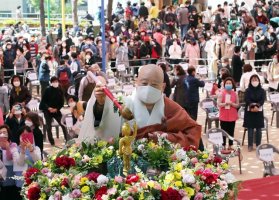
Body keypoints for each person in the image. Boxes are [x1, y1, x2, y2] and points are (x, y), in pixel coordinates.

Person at [79, 64, 201, 148]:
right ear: (136, 81)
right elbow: (103, 125)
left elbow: (192, 133)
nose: (148, 88)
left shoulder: (171, 108)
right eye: (144, 83)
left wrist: (166, 137)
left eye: (154, 85)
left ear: (163, 87)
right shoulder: (123, 104)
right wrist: (100, 103)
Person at [39, 76, 68, 145]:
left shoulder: (60, 90)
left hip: (56, 110)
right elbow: (43, 102)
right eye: (54, 82)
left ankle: (67, 139)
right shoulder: (47, 89)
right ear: (51, 82)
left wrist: (56, 109)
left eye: (56, 81)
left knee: (63, 124)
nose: (55, 83)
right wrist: (49, 108)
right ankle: (52, 141)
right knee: (49, 126)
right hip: (47, 110)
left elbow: (62, 102)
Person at [243, 74, 266, 152]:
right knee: (250, 129)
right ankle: (250, 145)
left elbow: (262, 100)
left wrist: (257, 106)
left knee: (259, 129)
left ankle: (258, 145)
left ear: (259, 81)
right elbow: (247, 99)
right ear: (250, 81)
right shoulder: (247, 90)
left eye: (256, 80)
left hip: (259, 112)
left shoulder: (262, 90)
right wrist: (252, 106)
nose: (254, 81)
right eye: (253, 80)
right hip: (250, 112)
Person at [217, 77, 239, 151]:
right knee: (223, 131)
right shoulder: (221, 93)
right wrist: (225, 103)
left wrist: (232, 103)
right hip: (224, 115)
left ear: (232, 84)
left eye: (230, 83)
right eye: (227, 83)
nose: (228, 84)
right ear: (224, 84)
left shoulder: (235, 94)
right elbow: (218, 104)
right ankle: (223, 145)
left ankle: (230, 144)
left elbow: (237, 105)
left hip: (232, 115)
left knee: (231, 131)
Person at [0, 125, 22, 200]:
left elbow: (10, 158)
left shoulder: (13, 145)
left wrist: (7, 148)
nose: (2, 134)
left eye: (4, 132)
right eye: (1, 132)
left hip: (10, 172)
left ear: (8, 134)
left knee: (10, 192)